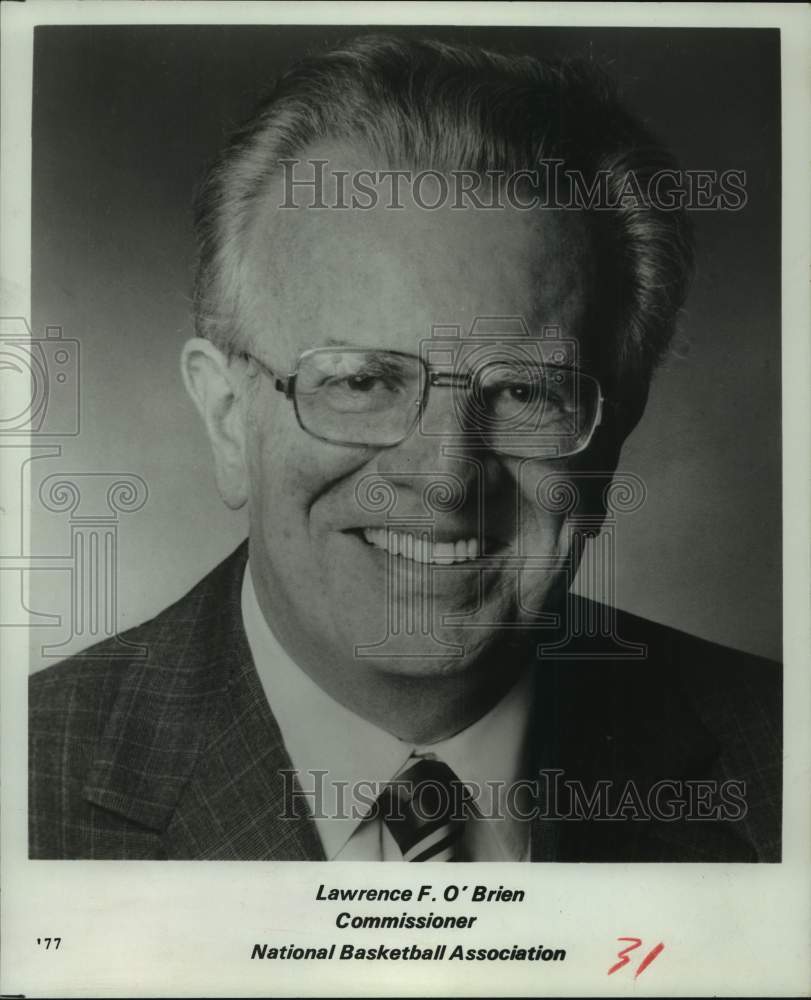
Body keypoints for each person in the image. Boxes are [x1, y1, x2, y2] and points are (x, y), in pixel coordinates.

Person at [29, 34, 780, 862]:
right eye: (360, 381)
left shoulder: (783, 765)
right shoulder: (27, 791)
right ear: (225, 416)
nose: (444, 477)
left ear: (613, 430)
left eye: (523, 392)